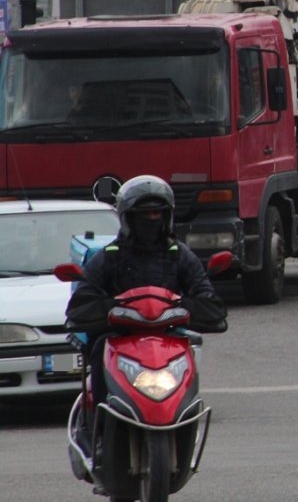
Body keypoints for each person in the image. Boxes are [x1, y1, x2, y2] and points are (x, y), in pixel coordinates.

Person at [65, 175, 227, 433]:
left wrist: (187, 307)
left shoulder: (180, 255)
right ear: (128, 218)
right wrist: (110, 308)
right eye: (145, 214)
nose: (152, 219)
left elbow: (209, 301)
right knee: (98, 348)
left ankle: (185, 419)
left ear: (167, 216)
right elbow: (80, 304)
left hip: (167, 337)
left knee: (192, 348)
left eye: (157, 213)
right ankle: (99, 428)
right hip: (119, 336)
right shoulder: (108, 258)